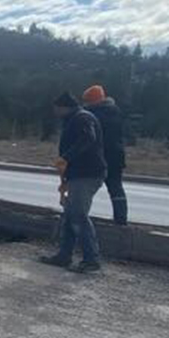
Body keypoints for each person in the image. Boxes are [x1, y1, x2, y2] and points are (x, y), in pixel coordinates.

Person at [40, 91, 106, 273]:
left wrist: (66, 158)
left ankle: (91, 260)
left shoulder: (82, 118)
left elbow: (88, 139)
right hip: (78, 173)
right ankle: (64, 255)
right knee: (69, 216)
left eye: (56, 108)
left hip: (87, 174)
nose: (55, 112)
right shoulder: (74, 119)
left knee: (78, 215)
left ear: (64, 107)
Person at [83, 85, 128, 225]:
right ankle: (121, 219)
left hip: (98, 156)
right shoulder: (115, 112)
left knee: (85, 187)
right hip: (116, 156)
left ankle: (79, 215)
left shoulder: (92, 115)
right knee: (116, 188)